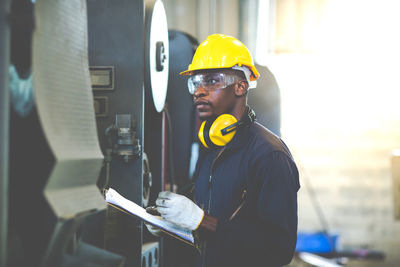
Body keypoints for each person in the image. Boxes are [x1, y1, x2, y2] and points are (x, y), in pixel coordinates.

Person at [149, 34, 300, 267]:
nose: (198, 91)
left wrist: (201, 221)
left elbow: (279, 249)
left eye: (211, 81)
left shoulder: (270, 156)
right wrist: (170, 223)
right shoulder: (212, 148)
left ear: (240, 86)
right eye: (195, 83)